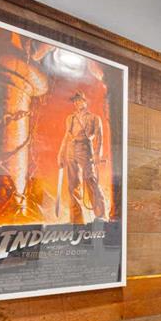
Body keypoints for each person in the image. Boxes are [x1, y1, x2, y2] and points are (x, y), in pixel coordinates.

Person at [58, 91, 107, 224]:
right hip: (71, 149)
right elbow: (66, 136)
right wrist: (60, 154)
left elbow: (99, 137)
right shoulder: (70, 118)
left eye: (79, 100)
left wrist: (97, 154)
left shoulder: (94, 118)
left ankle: (101, 215)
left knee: (91, 180)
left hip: (85, 149)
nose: (76, 103)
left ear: (85, 102)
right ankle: (76, 220)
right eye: (75, 101)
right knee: (73, 185)